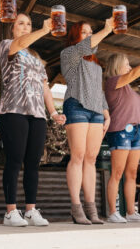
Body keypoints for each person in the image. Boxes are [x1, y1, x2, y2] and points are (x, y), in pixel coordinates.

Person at [0, 14, 65, 227]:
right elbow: (20, 43)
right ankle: (10, 212)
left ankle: (30, 210)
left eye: (29, 24)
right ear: (12, 29)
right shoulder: (7, 45)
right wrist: (44, 30)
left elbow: (44, 86)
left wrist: (53, 112)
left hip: (37, 115)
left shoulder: (36, 57)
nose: (25, 27)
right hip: (13, 110)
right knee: (15, 160)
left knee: (33, 164)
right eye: (21, 24)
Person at [59, 19, 113, 225]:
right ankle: (76, 207)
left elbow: (98, 91)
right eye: (85, 32)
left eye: (91, 32)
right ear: (76, 35)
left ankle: (91, 208)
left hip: (96, 110)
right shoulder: (69, 54)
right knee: (78, 156)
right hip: (76, 105)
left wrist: (106, 113)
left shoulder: (96, 63)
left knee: (91, 159)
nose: (89, 35)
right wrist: (107, 29)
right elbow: (85, 46)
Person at [104, 51, 140, 223]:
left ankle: (130, 212)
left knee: (132, 173)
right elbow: (134, 74)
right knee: (117, 173)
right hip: (120, 130)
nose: (130, 67)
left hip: (135, 131)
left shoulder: (128, 88)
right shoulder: (113, 82)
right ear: (117, 65)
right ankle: (113, 212)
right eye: (126, 63)